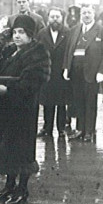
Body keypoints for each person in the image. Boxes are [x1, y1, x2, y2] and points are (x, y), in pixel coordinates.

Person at [0, 15, 50, 204]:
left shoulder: (38, 53)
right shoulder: (12, 52)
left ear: (30, 35)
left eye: (21, 32)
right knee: (9, 148)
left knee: (22, 150)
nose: (17, 36)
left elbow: (33, 82)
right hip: (8, 109)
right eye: (15, 32)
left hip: (24, 110)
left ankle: (22, 190)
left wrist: (9, 89)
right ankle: (9, 187)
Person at [62, 4, 103, 143]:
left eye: (89, 13)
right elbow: (68, 50)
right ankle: (80, 129)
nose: (86, 15)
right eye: (84, 13)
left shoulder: (102, 31)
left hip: (92, 73)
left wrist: (102, 71)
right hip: (76, 72)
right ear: (80, 15)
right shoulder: (74, 30)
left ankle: (89, 131)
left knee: (90, 103)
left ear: (93, 14)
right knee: (78, 101)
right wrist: (66, 67)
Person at [36, 7, 71, 137]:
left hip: (62, 72)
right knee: (47, 102)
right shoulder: (42, 33)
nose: (55, 19)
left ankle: (61, 128)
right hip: (47, 72)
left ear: (62, 18)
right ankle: (47, 128)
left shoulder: (68, 33)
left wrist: (67, 69)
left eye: (57, 17)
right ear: (48, 18)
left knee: (62, 103)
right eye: (52, 17)